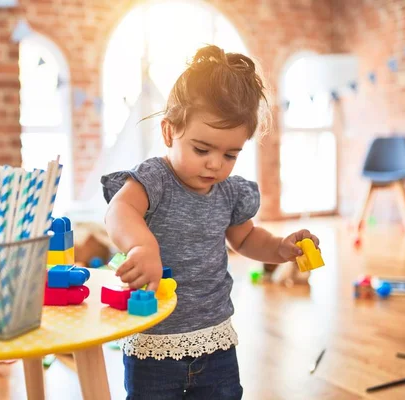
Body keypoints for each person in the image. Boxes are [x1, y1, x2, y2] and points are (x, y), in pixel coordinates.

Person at [101, 44, 320, 399]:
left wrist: (280, 248)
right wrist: (142, 245)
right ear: (170, 132)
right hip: (154, 345)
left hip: (216, 343)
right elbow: (118, 212)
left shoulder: (229, 192)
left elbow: (246, 239)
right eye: (202, 150)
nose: (215, 164)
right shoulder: (153, 179)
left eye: (230, 154)